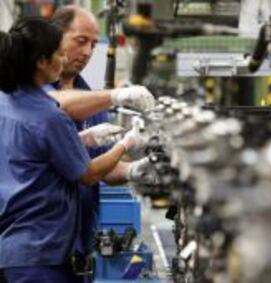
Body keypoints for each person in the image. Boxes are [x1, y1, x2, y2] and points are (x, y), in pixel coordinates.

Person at [0, 17, 145, 283]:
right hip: (42, 253)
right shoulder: (47, 115)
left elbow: (30, 154)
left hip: (12, 249)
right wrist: (127, 144)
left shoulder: (5, 102)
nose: (64, 58)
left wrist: (82, 140)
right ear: (42, 61)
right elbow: (88, 175)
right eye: (59, 53)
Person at [48, 5, 157, 281]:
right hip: (41, 244)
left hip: (80, 247)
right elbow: (56, 106)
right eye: (80, 41)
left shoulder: (93, 100)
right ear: (55, 37)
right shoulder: (32, 93)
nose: (87, 52)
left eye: (93, 44)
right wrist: (116, 95)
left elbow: (101, 167)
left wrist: (134, 170)